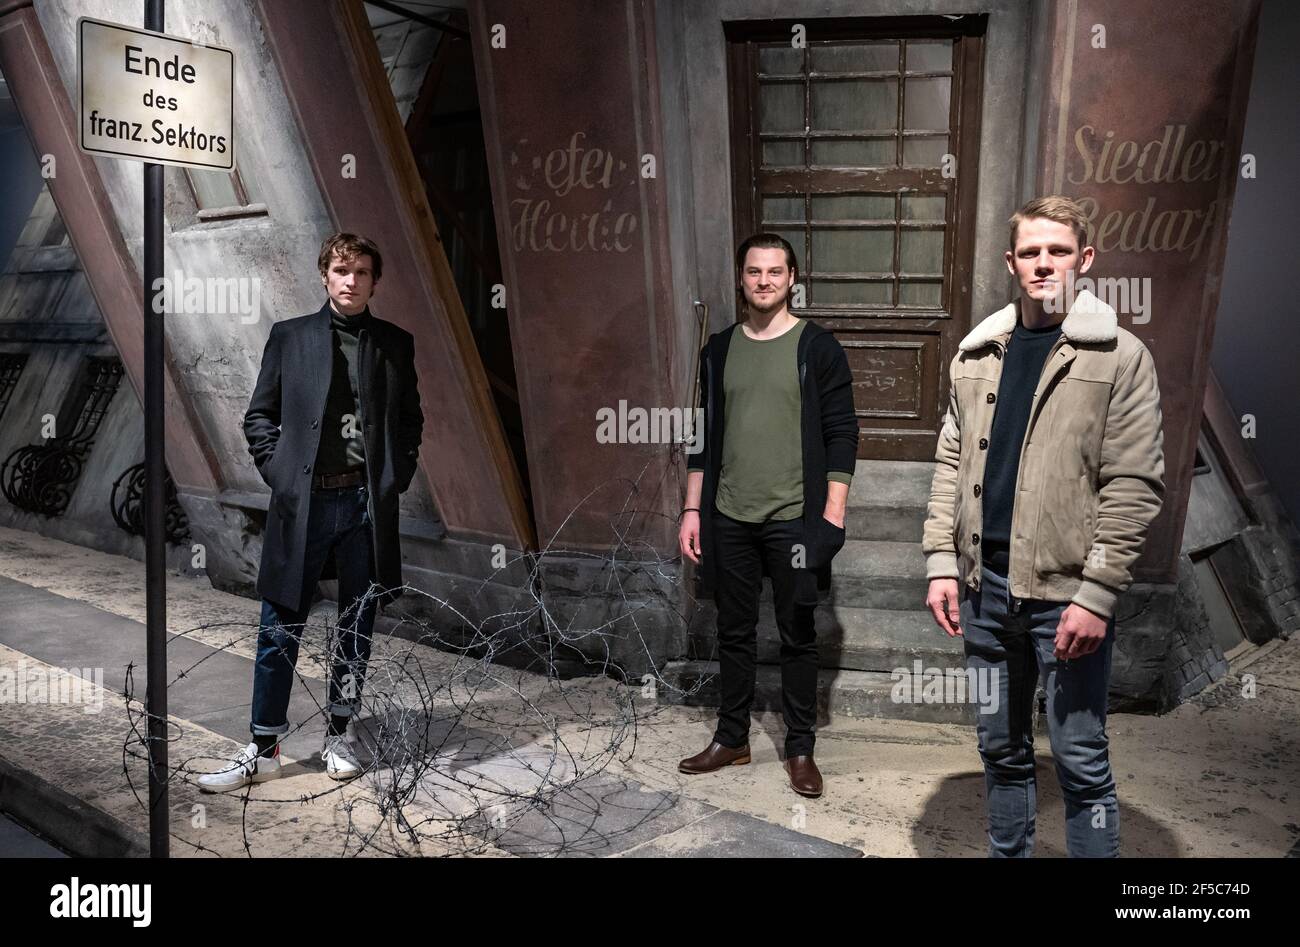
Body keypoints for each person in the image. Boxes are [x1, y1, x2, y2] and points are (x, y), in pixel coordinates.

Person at [922, 195, 1165, 855]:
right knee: (999, 749)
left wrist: (1098, 594)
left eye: (1058, 250)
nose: (1043, 262)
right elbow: (950, 463)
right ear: (1011, 261)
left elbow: (1134, 484)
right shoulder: (976, 356)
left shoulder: (1120, 357)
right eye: (1030, 251)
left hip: (1065, 598)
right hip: (984, 589)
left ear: (1084, 259)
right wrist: (942, 562)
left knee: (1080, 761)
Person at [199, 232, 424, 792]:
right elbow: (259, 417)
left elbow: (410, 420)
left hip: (365, 505)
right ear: (325, 275)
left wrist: (395, 477)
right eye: (342, 270)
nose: (351, 281)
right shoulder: (291, 337)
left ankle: (340, 734)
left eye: (362, 272)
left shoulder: (394, 343)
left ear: (375, 281)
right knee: (280, 627)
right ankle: (264, 747)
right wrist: (281, 476)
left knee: (355, 627)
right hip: (305, 504)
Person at [678, 233, 859, 798]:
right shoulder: (719, 350)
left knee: (796, 633)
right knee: (733, 632)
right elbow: (702, 439)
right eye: (754, 272)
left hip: (794, 518)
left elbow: (842, 434)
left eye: (775, 272)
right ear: (741, 278)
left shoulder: (818, 347)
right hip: (729, 515)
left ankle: (800, 748)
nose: (764, 281)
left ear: (791, 278)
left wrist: (832, 515)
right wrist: (692, 509)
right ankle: (731, 738)